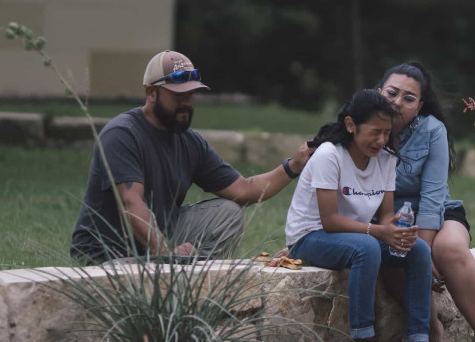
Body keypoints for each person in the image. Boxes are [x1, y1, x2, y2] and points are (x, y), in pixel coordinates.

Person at [70, 50, 313, 264]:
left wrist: (294, 165)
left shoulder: (189, 142)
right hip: (106, 253)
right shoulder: (122, 134)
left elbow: (245, 190)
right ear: (151, 92)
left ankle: (195, 284)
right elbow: (132, 206)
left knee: (229, 213)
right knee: (148, 258)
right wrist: (168, 253)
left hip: (156, 245)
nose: (187, 102)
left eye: (191, 95)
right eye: (178, 95)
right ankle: (170, 270)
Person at [285, 89, 461, 342]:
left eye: (387, 133)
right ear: (351, 125)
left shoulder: (387, 158)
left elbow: (386, 216)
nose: (381, 140)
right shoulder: (330, 155)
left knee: (417, 249)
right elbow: (329, 221)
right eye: (375, 132)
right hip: (311, 236)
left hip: (357, 236)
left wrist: (401, 230)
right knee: (366, 248)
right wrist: (379, 232)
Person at [377, 62, 475, 342]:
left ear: (419, 105)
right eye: (392, 93)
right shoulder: (362, 124)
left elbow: (434, 195)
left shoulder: (432, 131)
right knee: (396, 254)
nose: (398, 102)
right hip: (388, 219)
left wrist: (423, 249)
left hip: (436, 213)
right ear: (379, 92)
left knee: (449, 248)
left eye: (408, 98)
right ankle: (432, 328)